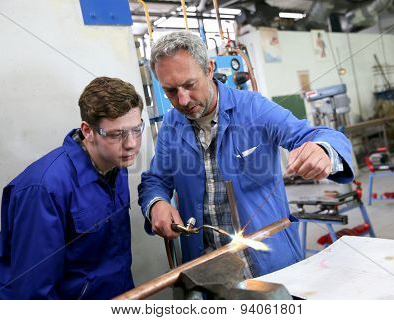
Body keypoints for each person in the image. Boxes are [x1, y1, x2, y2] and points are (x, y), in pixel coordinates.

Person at [138, 31, 353, 278]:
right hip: (206, 271)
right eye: (171, 91)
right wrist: (156, 203)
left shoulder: (255, 110)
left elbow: (317, 135)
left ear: (208, 69)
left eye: (189, 85)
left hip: (268, 264)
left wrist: (324, 150)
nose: (183, 99)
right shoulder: (171, 127)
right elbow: (155, 180)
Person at [0, 77, 144, 299]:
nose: (131, 143)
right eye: (116, 134)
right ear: (87, 131)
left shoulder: (116, 162)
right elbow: (32, 294)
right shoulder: (43, 189)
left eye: (137, 129)